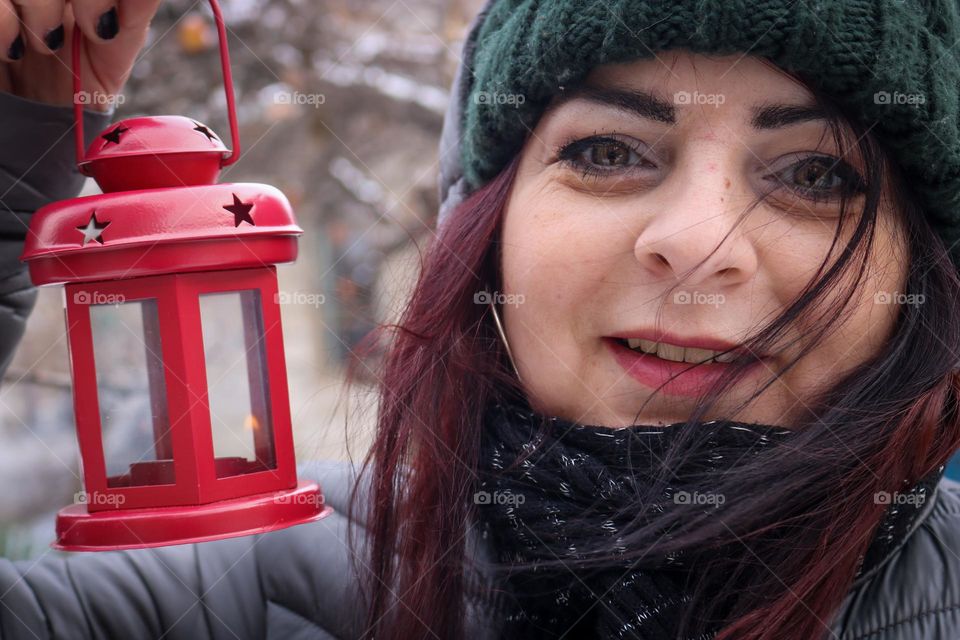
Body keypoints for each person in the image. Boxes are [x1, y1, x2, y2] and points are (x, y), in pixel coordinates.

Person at [3, 1, 960, 638]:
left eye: (817, 174)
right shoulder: (239, 589)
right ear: (486, 231)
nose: (699, 244)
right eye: (611, 151)